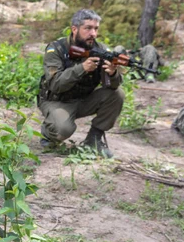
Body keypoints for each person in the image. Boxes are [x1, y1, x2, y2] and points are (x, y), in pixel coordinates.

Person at [38, 9, 125, 158]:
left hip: (83, 100)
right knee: (63, 129)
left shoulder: (101, 49)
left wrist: (112, 73)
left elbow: (111, 86)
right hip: (57, 101)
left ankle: (94, 138)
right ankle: (48, 134)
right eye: (88, 28)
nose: (93, 34)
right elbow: (55, 84)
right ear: (74, 29)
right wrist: (82, 68)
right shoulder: (57, 49)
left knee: (117, 94)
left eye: (96, 29)